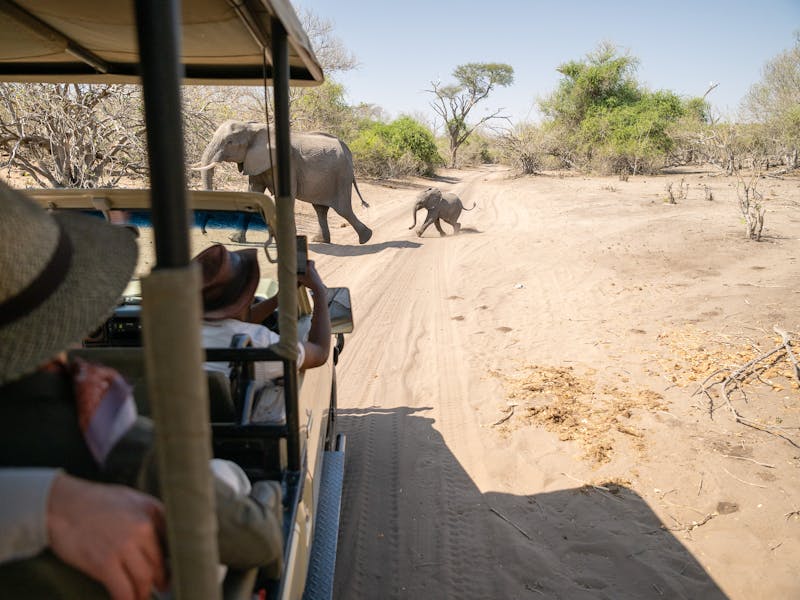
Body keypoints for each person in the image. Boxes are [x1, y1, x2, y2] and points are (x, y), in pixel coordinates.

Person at [0, 183, 283, 600]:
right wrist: (271, 491)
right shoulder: (109, 432)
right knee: (230, 476)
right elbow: (258, 539)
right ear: (71, 317)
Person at [194, 243, 331, 384]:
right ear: (246, 297)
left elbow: (237, 321)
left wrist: (279, 298)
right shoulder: (257, 345)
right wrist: (319, 291)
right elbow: (320, 352)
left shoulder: (177, 334)